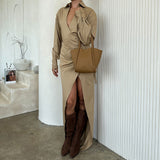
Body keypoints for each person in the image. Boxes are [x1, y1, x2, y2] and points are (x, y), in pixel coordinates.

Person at [52, 0, 97, 158]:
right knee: (70, 101)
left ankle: (77, 139)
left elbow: (86, 39)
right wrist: (54, 61)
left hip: (83, 58)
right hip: (66, 61)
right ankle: (68, 139)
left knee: (83, 100)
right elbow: (57, 38)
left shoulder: (90, 13)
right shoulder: (60, 12)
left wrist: (79, 13)